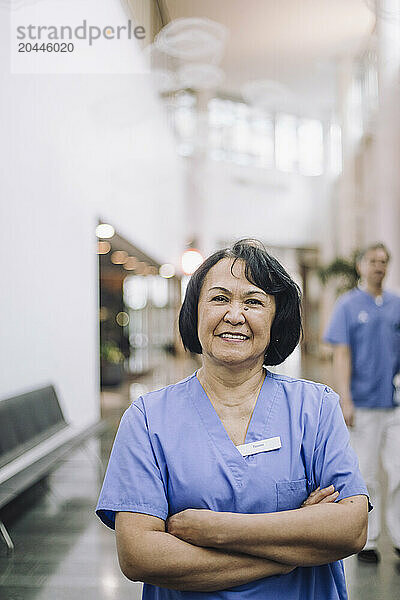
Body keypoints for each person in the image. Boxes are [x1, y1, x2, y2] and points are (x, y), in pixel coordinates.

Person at [96, 239, 369, 600]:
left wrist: (216, 529)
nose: (234, 315)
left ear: (276, 320)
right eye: (219, 298)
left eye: (254, 301)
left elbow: (350, 529)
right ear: (195, 313)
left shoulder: (314, 408)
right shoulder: (148, 420)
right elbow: (139, 556)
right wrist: (291, 552)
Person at [324, 242, 400, 564]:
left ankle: (398, 537)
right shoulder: (348, 305)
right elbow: (341, 353)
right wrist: (346, 399)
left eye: (384, 261)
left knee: (398, 472)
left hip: (395, 404)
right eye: (373, 261)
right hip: (364, 404)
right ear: (361, 266)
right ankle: (367, 541)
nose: (378, 266)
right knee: (366, 474)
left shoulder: (397, 304)